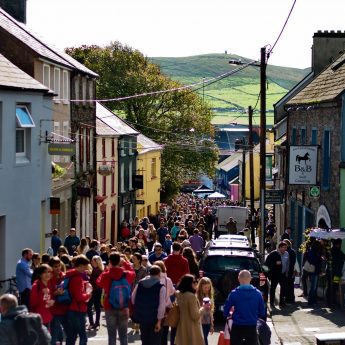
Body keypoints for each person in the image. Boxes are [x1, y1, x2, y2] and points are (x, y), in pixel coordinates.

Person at [97, 252, 135, 345]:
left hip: (109, 306)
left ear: (110, 261)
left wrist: (107, 270)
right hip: (124, 306)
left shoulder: (106, 275)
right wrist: (125, 262)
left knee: (112, 335)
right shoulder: (126, 274)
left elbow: (98, 282)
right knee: (123, 335)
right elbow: (133, 273)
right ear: (119, 261)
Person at [223, 270, 266, 345]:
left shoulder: (233, 294)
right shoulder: (258, 294)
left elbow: (225, 311)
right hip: (252, 326)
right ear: (250, 279)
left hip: (237, 326)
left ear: (239, 279)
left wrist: (229, 314)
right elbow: (262, 312)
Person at [131, 265, 166, 345]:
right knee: (155, 341)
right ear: (159, 274)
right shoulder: (161, 287)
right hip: (154, 318)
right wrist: (159, 321)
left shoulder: (140, 284)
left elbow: (133, 299)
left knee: (144, 340)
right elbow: (161, 306)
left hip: (142, 317)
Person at [65, 255, 93, 345]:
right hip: (78, 309)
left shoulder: (70, 275)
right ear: (80, 265)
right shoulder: (77, 278)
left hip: (71, 308)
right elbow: (79, 297)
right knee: (82, 336)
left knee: (72, 335)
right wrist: (88, 294)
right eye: (85, 266)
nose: (86, 269)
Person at [175, 274, 204, 345]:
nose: (196, 283)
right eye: (194, 282)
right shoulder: (191, 297)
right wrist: (203, 307)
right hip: (192, 328)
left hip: (182, 327)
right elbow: (195, 316)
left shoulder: (179, 294)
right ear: (188, 283)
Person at [49, 256, 69, 345]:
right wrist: (54, 293)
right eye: (55, 266)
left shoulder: (64, 276)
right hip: (54, 311)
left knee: (69, 335)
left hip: (66, 309)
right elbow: (46, 294)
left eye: (58, 266)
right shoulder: (48, 278)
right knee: (55, 335)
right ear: (51, 267)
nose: (57, 268)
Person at [264, 241, 289, 307]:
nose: (285, 249)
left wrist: (286, 272)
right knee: (273, 288)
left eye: (286, 247)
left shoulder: (286, 254)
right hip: (275, 274)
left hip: (283, 274)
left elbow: (287, 264)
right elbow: (266, 264)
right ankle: (272, 303)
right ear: (279, 247)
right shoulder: (273, 254)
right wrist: (268, 274)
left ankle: (282, 303)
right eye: (284, 247)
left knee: (283, 288)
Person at [87, 256, 104, 330]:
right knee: (96, 307)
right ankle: (96, 323)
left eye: (93, 261)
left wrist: (89, 276)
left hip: (94, 290)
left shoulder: (96, 271)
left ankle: (92, 323)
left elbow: (94, 281)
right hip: (97, 290)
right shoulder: (98, 270)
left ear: (96, 262)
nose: (91, 262)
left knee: (90, 306)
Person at [196, 277, 214, 345]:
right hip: (200, 322)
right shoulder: (197, 296)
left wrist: (212, 325)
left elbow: (211, 311)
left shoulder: (209, 295)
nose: (207, 289)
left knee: (204, 338)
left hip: (207, 322)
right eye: (205, 287)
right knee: (203, 340)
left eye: (208, 287)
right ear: (201, 287)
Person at [283, 239, 296, 304]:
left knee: (288, 285)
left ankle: (289, 298)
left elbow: (292, 262)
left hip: (289, 271)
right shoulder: (291, 251)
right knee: (290, 285)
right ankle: (290, 298)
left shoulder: (289, 252)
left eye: (285, 244)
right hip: (289, 270)